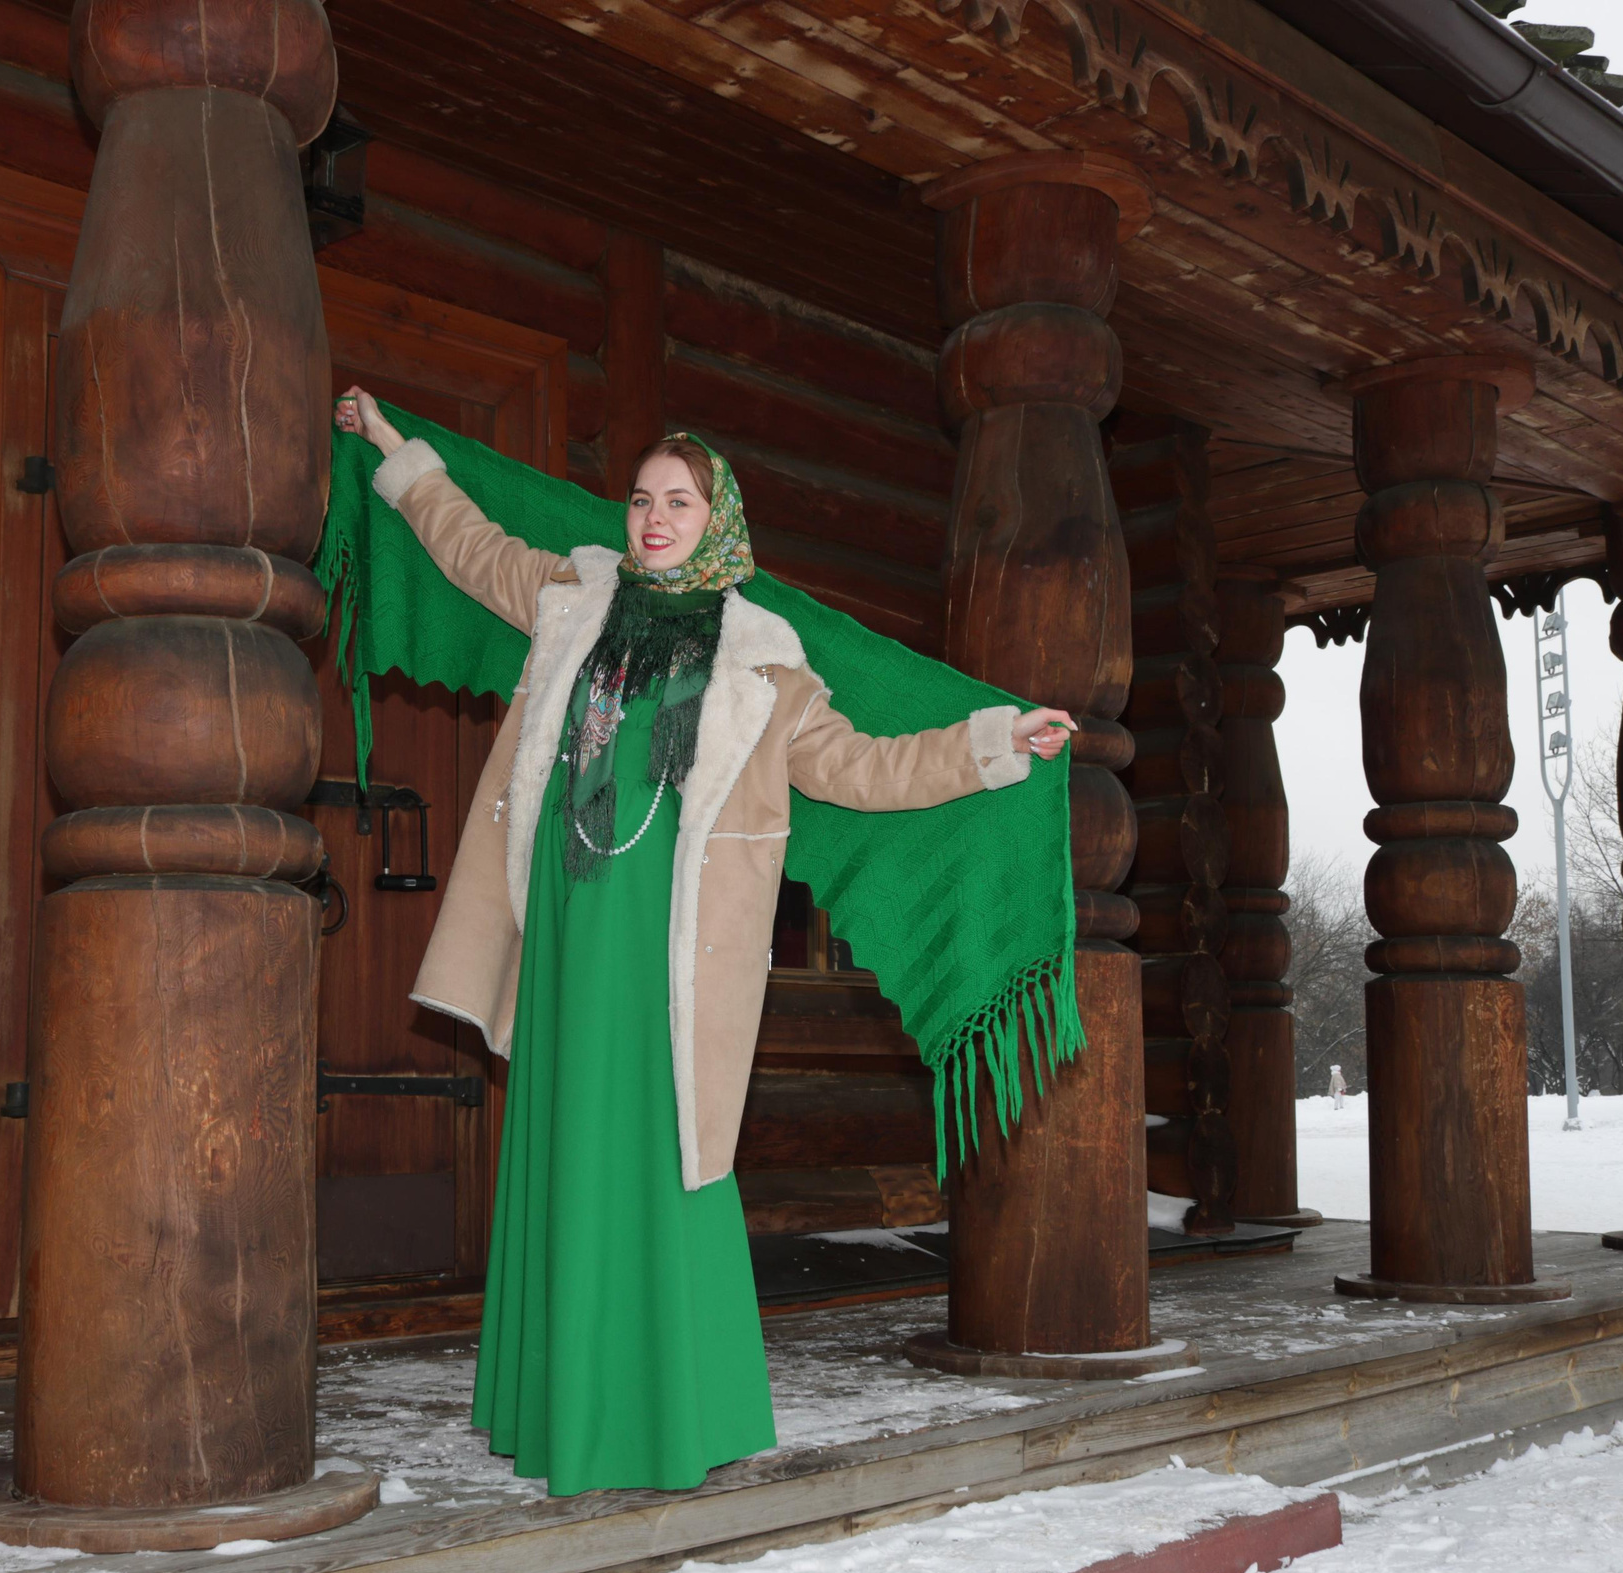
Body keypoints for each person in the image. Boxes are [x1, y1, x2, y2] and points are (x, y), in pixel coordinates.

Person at [334, 388, 1075, 1496]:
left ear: (717, 516)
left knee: (662, 1152)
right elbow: (469, 549)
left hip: (670, 944)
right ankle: (563, 1410)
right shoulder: (574, 598)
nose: (652, 517)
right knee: (569, 1142)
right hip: (570, 919)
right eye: (640, 499)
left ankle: (675, 1413)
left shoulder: (767, 661)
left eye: (677, 500)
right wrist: (397, 455)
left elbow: (860, 768)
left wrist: (991, 745)